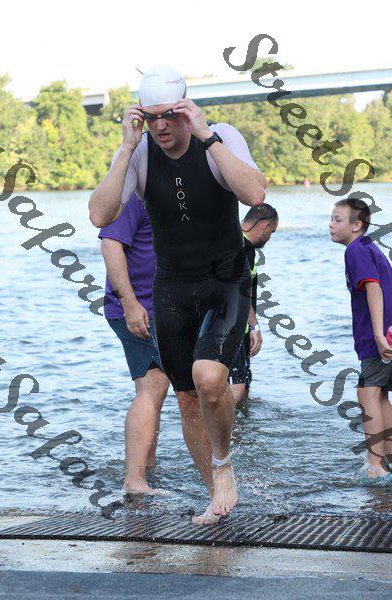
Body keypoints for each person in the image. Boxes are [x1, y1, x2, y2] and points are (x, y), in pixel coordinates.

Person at [89, 65, 267, 525]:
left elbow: (255, 193)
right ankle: (216, 496)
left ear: (187, 109)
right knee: (187, 397)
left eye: (170, 114)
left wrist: (207, 135)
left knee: (209, 378)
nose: (161, 126)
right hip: (172, 287)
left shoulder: (220, 135)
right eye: (151, 118)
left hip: (226, 279)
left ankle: (223, 464)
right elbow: (100, 216)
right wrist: (126, 148)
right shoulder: (139, 152)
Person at [99, 195, 169, 495]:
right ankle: (135, 480)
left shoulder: (162, 189)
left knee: (157, 384)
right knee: (151, 386)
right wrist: (130, 304)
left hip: (158, 306)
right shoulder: (133, 194)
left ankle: (146, 468)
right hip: (138, 308)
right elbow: (110, 245)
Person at [330, 198, 392, 482]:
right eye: (331, 219)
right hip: (389, 329)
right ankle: (388, 460)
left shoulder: (356, 250)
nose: (331, 225)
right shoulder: (368, 246)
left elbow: (374, 288)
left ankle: (375, 466)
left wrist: (378, 335)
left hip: (379, 334)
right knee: (380, 394)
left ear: (357, 225)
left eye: (338, 220)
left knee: (367, 393)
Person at [230, 204, 279, 408]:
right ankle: (217, 426)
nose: (269, 238)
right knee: (238, 386)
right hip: (233, 325)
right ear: (265, 226)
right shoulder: (245, 248)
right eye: (271, 232)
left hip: (228, 324)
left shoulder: (229, 238)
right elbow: (239, 288)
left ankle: (241, 427)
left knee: (243, 384)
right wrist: (254, 326)